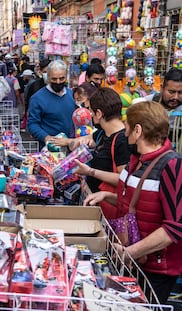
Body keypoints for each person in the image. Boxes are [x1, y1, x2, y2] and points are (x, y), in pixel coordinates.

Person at [84, 100, 182, 305]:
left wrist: (130, 253)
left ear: (137, 130)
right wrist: (107, 196)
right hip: (135, 261)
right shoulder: (136, 160)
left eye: (127, 126)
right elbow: (136, 202)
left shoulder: (172, 165)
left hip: (155, 269)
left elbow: (174, 228)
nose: (125, 132)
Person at [54, 88, 131, 218]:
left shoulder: (122, 141)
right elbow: (84, 140)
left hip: (109, 209)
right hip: (95, 202)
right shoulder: (102, 132)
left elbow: (124, 180)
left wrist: (90, 171)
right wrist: (66, 142)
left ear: (99, 113)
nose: (89, 114)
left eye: (91, 110)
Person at [27, 60, 76, 148]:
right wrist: (46, 138)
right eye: (54, 79)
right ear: (48, 78)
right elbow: (32, 124)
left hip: (71, 147)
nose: (58, 82)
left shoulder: (72, 95)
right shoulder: (37, 98)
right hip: (50, 149)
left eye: (61, 78)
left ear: (66, 77)